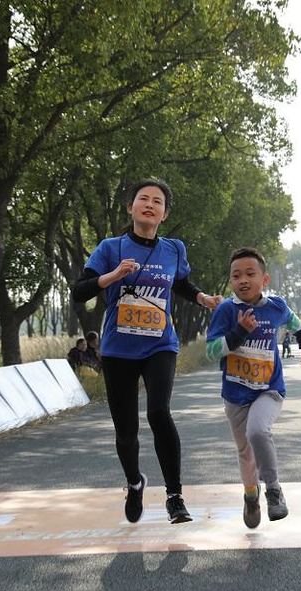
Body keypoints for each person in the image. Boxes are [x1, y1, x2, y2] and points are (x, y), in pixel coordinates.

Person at [71, 178, 222, 524]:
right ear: (131, 207)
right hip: (118, 349)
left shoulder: (174, 249)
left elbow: (180, 283)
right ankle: (135, 482)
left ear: (164, 214)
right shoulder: (111, 247)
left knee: (158, 411)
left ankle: (175, 496)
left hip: (159, 343)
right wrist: (113, 275)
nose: (150, 204)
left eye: (157, 201)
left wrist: (202, 299)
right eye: (143, 199)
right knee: (126, 431)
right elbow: (80, 291)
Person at [206, 247, 301, 527]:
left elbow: (296, 324)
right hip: (235, 394)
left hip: (269, 389)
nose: (243, 280)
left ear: (264, 279)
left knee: (258, 430)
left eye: (250, 274)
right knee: (245, 452)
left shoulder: (276, 307)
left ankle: (274, 490)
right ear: (231, 281)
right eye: (236, 275)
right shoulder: (226, 311)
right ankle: (250, 495)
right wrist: (239, 332)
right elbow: (211, 351)